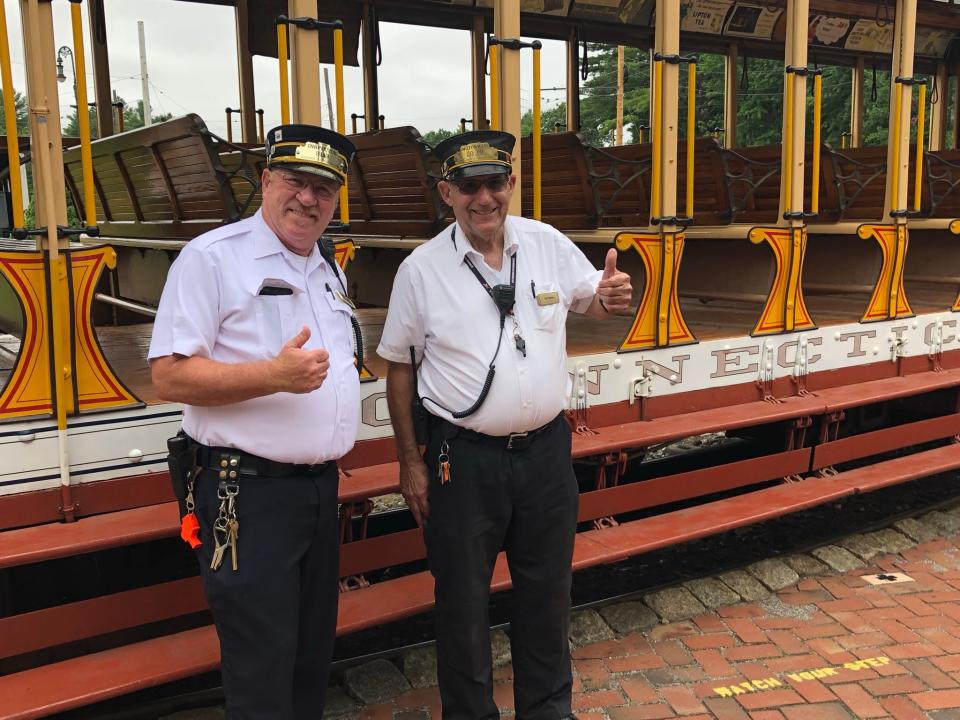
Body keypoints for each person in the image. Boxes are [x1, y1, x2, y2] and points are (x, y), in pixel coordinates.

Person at [377, 130, 633, 720]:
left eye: (495, 183)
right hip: (461, 460)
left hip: (545, 454)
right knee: (463, 605)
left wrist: (609, 296)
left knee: (547, 596)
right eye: (469, 187)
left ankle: (547, 711)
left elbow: (591, 299)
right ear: (448, 192)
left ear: (511, 185)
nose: (483, 198)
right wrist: (410, 462)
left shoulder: (544, 243)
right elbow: (397, 368)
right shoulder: (421, 270)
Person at [148, 124, 359, 720]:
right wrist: (273, 376)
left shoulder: (325, 266)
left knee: (309, 659)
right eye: (296, 181)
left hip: (317, 491)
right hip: (247, 495)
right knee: (262, 669)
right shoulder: (213, 259)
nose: (309, 199)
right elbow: (169, 375)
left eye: (324, 187)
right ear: (266, 181)